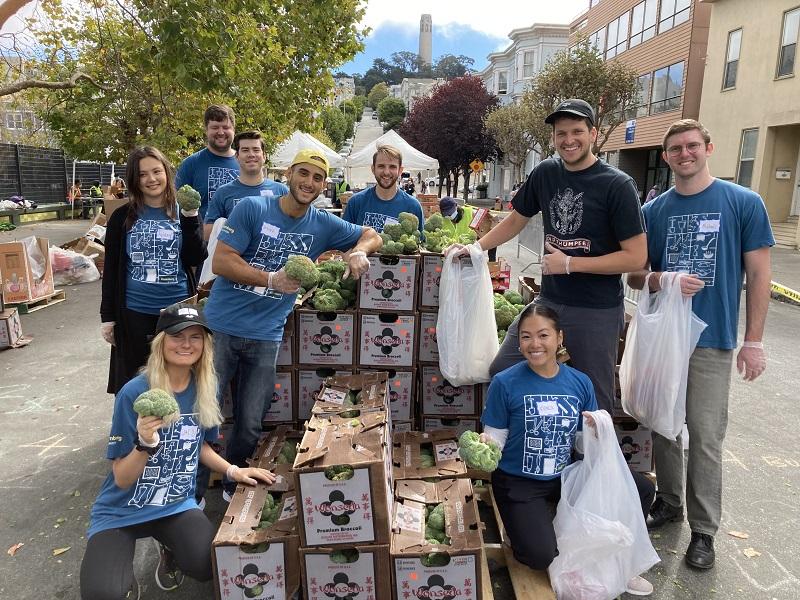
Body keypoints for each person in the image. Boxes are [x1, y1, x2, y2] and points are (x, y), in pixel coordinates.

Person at [628, 119, 774, 570]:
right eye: (675, 149)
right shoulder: (654, 210)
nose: (684, 154)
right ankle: (670, 505)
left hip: (712, 340)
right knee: (664, 427)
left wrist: (753, 342)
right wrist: (661, 277)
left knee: (706, 437)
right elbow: (635, 273)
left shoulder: (743, 203)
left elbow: (759, 276)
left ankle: (704, 532)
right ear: (667, 156)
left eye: (692, 146)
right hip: (665, 338)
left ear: (709, 148)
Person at [203, 149, 382, 498]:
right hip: (222, 328)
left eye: (317, 178)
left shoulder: (322, 222)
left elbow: (372, 233)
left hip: (266, 336)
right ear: (288, 175)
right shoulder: (253, 208)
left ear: (323, 185)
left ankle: (231, 484)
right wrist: (271, 280)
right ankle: (190, 494)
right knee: (204, 415)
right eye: (303, 173)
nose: (309, 183)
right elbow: (222, 261)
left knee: (251, 422)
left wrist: (361, 249)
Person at [452, 98, 647, 413]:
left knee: (595, 401)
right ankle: (538, 443)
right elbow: (517, 218)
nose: (569, 140)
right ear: (553, 138)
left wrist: (569, 264)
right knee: (503, 369)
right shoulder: (546, 172)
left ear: (593, 133)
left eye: (577, 131)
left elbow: (636, 257)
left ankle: (589, 461)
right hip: (550, 302)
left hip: (595, 309)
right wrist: (476, 248)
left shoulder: (617, 185)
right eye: (561, 133)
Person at [80, 303, 276, 599]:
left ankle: (171, 548)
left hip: (174, 505)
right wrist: (145, 443)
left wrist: (233, 470)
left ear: (205, 344)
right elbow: (121, 478)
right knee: (103, 593)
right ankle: (120, 574)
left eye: (195, 337)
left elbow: (199, 445)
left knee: (209, 564)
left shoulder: (205, 388)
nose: (186, 344)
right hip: (121, 510)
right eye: (177, 336)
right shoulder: (135, 392)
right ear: (161, 342)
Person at [481, 303, 655, 596]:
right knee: (538, 556)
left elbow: (581, 444)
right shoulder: (505, 383)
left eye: (543, 335)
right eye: (526, 337)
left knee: (642, 488)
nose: (534, 344)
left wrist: (595, 431)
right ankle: (521, 527)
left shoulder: (579, 382)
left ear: (559, 338)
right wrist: (486, 445)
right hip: (518, 482)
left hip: (565, 477)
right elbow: (495, 437)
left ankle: (620, 558)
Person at [100, 146, 205, 394]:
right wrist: (108, 317)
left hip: (177, 311)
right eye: (143, 174)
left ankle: (175, 428)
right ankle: (139, 430)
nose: (151, 179)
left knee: (178, 375)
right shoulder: (122, 217)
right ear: (135, 180)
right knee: (138, 378)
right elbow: (112, 269)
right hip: (135, 310)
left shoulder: (183, 212)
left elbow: (195, 256)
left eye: (156, 171)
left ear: (167, 173)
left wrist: (191, 219)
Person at [203, 130, 288, 240]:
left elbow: (294, 227)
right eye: (245, 150)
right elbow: (206, 234)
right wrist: (238, 224)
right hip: (232, 255)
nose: (251, 154)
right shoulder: (223, 192)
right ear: (237, 156)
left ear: (264, 156)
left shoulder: (282, 191)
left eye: (256, 150)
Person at [175, 104, 239, 221]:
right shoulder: (190, 164)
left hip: (239, 237)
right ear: (206, 130)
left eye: (225, 127)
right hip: (201, 237)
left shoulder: (245, 164)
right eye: (215, 127)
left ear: (233, 129)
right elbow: (176, 205)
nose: (221, 132)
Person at [342, 144, 424, 234]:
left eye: (392, 167)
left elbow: (420, 244)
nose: (386, 172)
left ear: (400, 170)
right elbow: (344, 240)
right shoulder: (356, 203)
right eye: (381, 166)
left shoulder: (413, 206)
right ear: (373, 169)